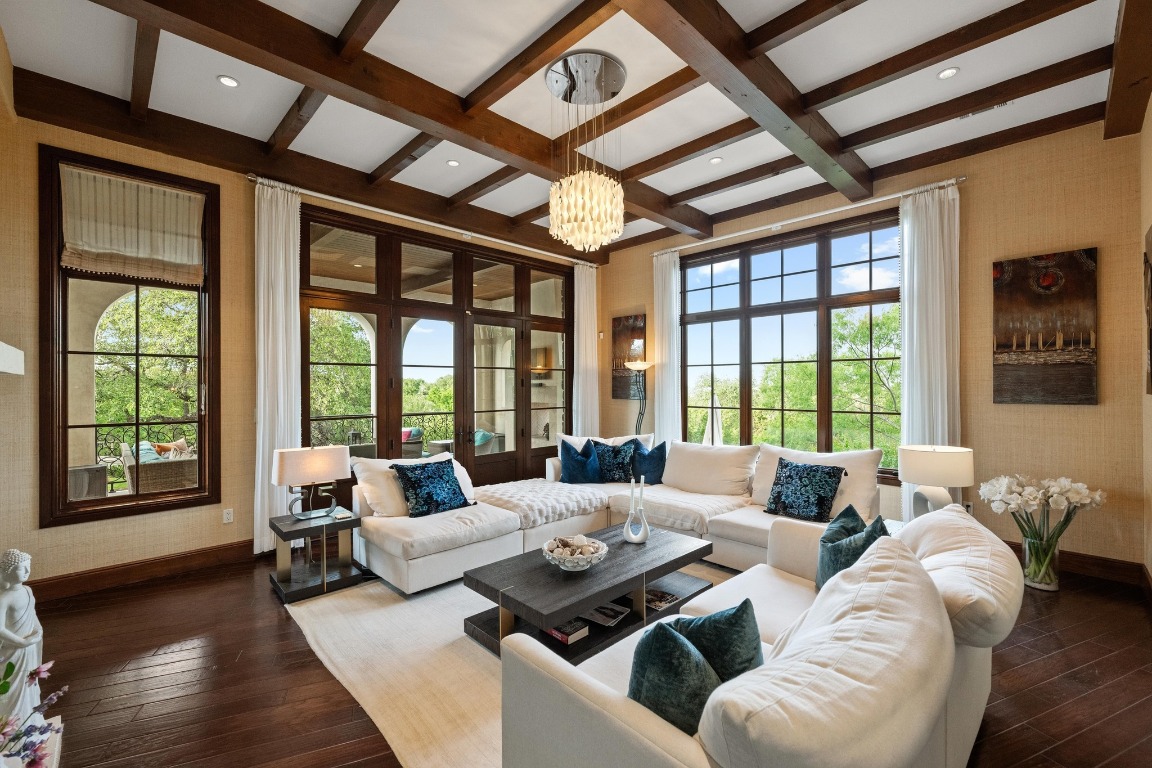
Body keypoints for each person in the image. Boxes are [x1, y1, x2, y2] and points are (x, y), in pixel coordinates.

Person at [0, 550, 43, 726]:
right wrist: (21, 642)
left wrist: (38, 629)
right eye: (20, 568)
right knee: (12, 685)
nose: (26, 571)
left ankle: (31, 722)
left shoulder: (28, 590)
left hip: (30, 647)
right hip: (14, 650)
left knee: (29, 683)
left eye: (28, 567)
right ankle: (13, 728)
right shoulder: (4, 598)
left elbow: (32, 615)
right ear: (8, 571)